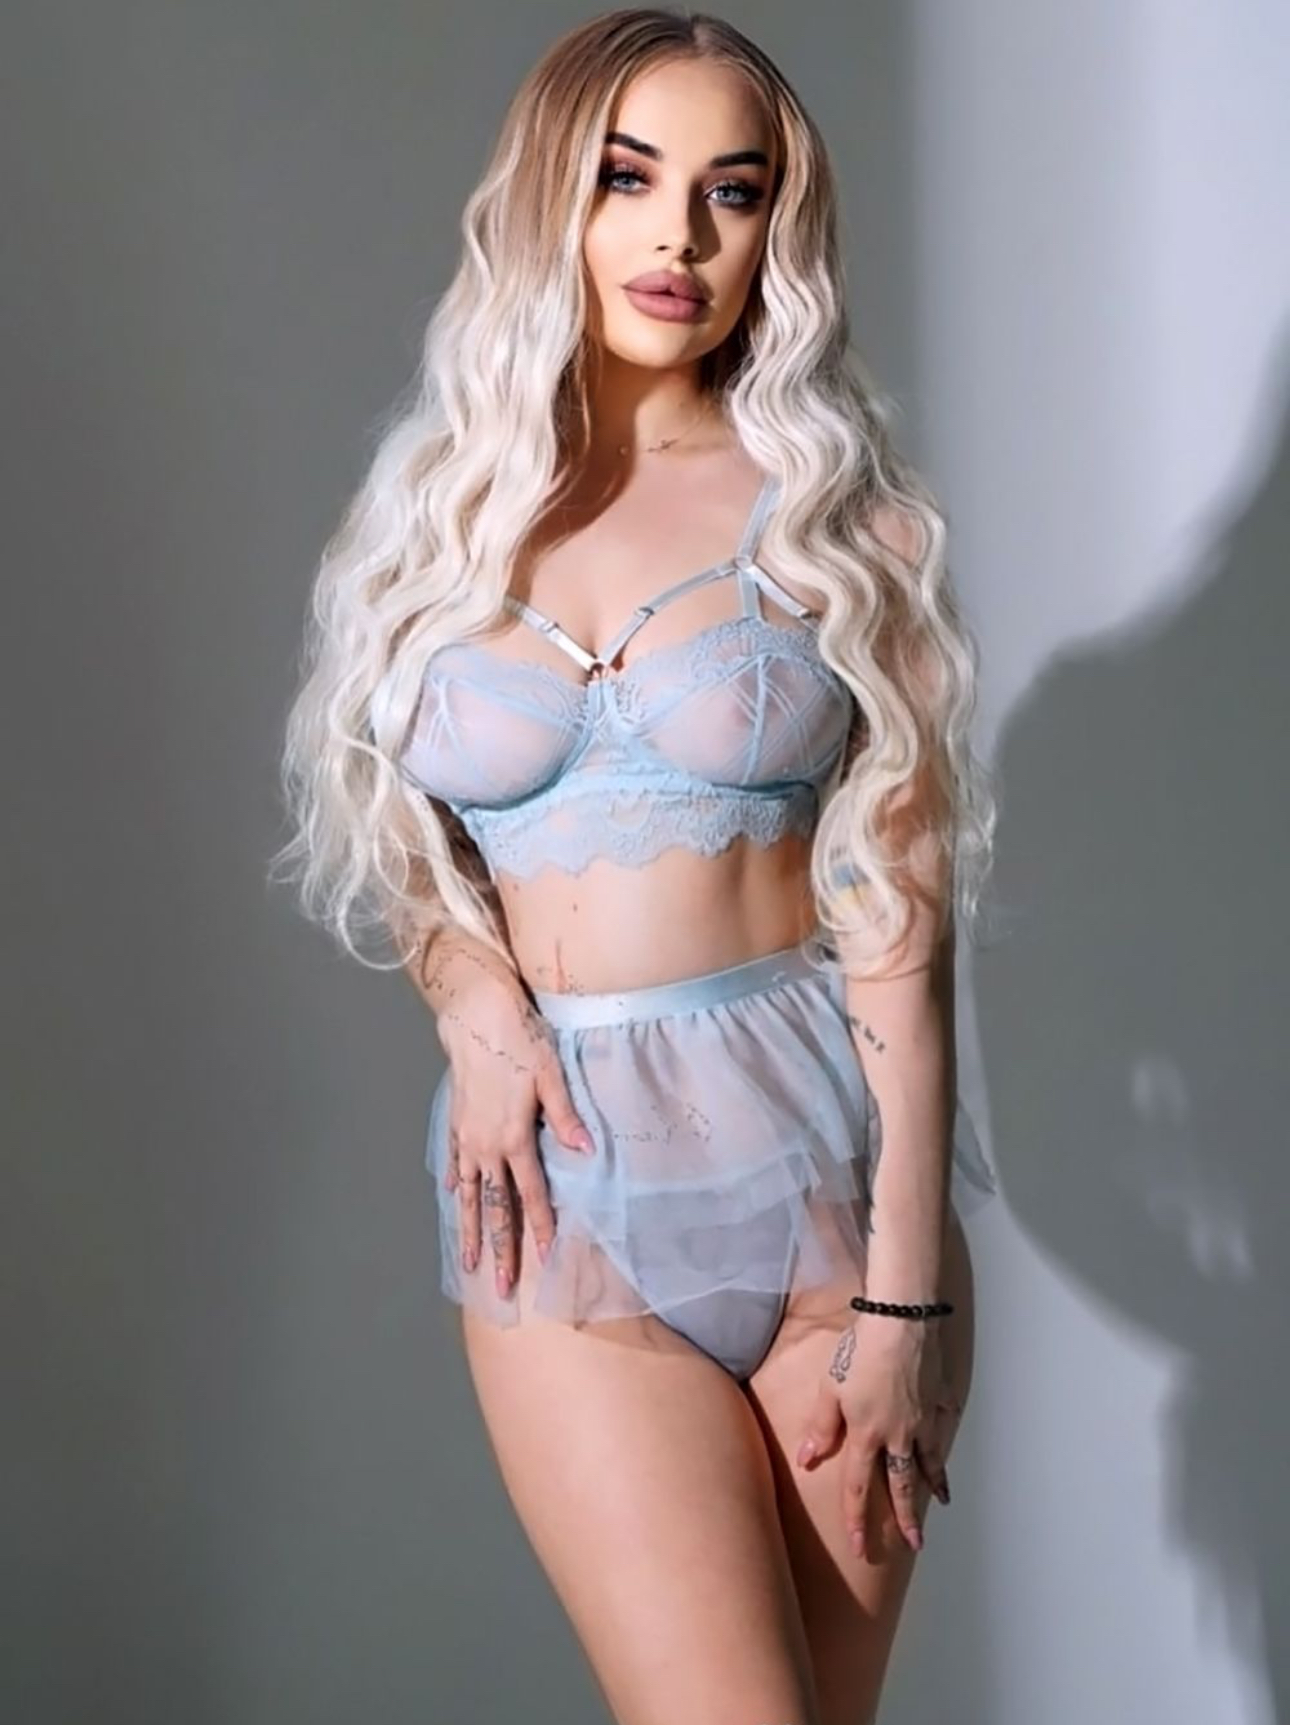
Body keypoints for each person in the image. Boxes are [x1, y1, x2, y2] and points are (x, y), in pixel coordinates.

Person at [274, 9, 1000, 1723]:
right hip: (565, 1208)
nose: (679, 236)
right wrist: (471, 1002)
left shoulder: (840, 520)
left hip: (832, 1199)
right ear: (554, 194)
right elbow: (402, 831)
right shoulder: (437, 519)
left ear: (773, 233)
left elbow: (901, 931)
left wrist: (904, 1295)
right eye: (628, 177)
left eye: (730, 193)